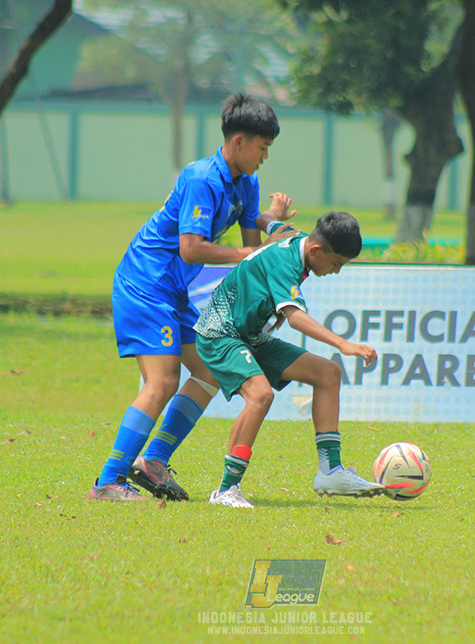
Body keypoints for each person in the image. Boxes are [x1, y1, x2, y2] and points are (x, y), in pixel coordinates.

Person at [88, 93, 298, 503]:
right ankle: (108, 482)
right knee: (163, 381)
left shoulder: (247, 183)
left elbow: (249, 256)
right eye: (262, 148)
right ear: (239, 142)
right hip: (146, 282)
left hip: (173, 289)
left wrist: (268, 291)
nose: (264, 158)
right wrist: (249, 253)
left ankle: (152, 462)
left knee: (209, 373)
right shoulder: (201, 177)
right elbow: (191, 248)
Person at [194, 210, 385, 508]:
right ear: (316, 249)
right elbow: (295, 318)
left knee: (328, 373)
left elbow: (269, 223)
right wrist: (343, 344)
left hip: (251, 335)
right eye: (336, 264)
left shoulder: (295, 236)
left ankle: (330, 470)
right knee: (260, 395)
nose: (336, 271)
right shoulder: (286, 263)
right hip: (221, 334)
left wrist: (271, 214)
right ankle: (226, 490)